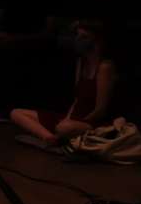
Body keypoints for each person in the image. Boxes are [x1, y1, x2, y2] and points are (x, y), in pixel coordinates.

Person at [9, 19, 115, 147]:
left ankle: (58, 135)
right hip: (71, 120)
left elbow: (100, 110)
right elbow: (76, 99)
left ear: (97, 40)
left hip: (92, 122)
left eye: (84, 37)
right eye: (77, 35)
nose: (78, 40)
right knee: (16, 113)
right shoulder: (81, 62)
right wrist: (67, 118)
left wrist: (75, 122)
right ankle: (50, 138)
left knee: (64, 128)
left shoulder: (104, 67)